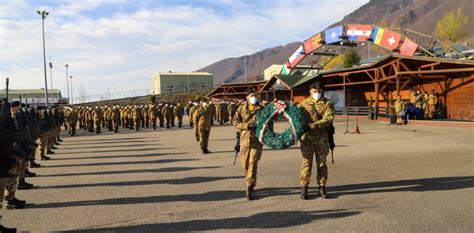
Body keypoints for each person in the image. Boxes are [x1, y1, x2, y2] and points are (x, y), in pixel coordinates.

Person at [298, 82, 334, 200]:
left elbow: (328, 118)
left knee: (322, 164)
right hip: (307, 139)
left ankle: (322, 187)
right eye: (314, 91)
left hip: (321, 139)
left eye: (319, 91)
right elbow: (296, 118)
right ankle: (304, 188)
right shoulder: (303, 104)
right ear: (310, 91)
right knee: (306, 163)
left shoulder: (327, 103)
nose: (317, 94)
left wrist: (313, 125)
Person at [232, 90, 263, 200]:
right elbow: (235, 122)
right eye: (251, 96)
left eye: (255, 95)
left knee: (253, 163)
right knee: (245, 165)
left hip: (256, 141)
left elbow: (267, 123)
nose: (254, 97)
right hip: (244, 141)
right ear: (247, 97)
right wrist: (246, 126)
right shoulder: (241, 108)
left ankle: (249, 187)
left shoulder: (261, 109)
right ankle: (250, 180)